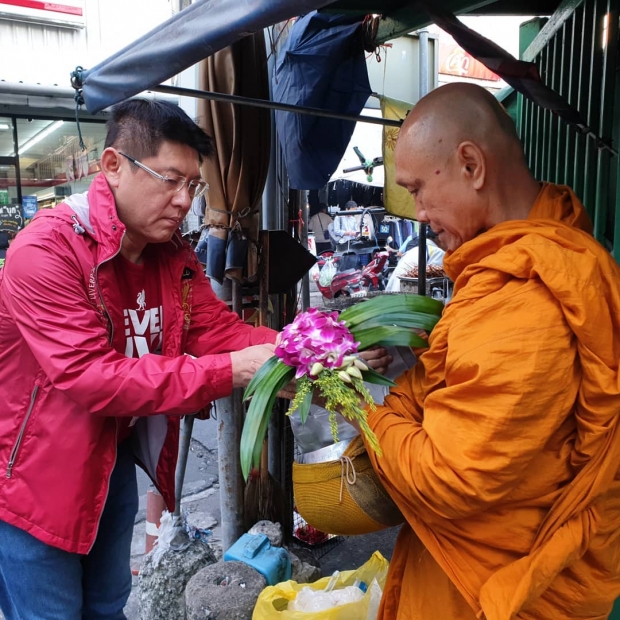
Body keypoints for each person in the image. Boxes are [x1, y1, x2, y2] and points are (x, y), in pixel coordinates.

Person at [0, 99, 283, 620]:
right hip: (32, 486)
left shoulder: (169, 253)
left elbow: (217, 330)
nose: (184, 202)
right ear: (113, 166)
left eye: (194, 187)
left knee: (109, 605)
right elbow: (93, 377)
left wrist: (297, 351)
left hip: (108, 466)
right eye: (170, 180)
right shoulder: (45, 251)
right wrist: (236, 370)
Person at [365, 82, 620, 619]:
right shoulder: (523, 258)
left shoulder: (529, 299)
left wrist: (361, 412)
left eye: (417, 189)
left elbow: (447, 476)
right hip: (473, 562)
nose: (418, 211)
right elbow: (441, 388)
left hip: (504, 587)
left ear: (471, 165)